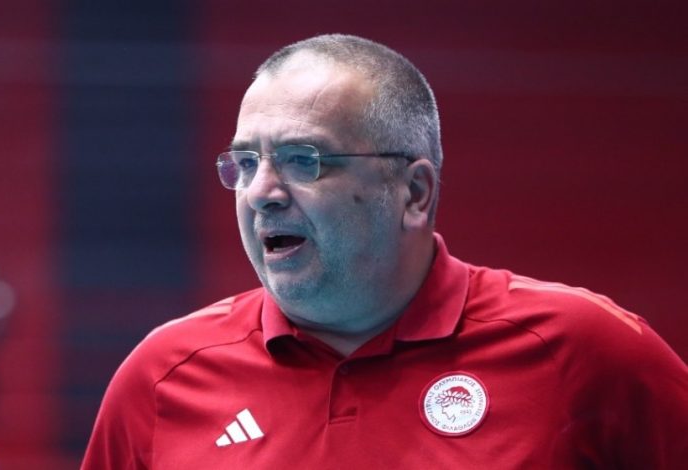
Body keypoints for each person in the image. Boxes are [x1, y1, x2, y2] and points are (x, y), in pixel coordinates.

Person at [81, 34, 688, 469]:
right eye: (245, 162)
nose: (261, 191)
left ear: (414, 193)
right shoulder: (162, 378)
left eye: (303, 160)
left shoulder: (582, 351)